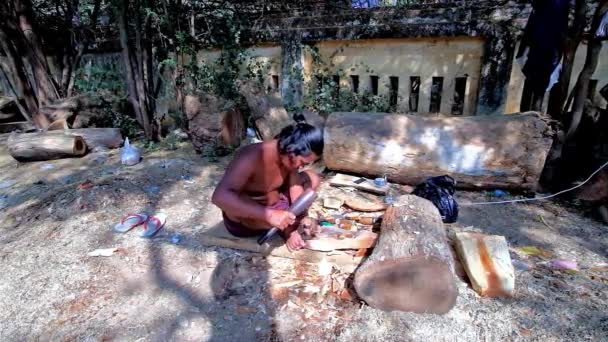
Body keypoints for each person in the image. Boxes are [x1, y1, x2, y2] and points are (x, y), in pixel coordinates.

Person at [211, 115, 323, 251]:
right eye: (302, 163)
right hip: (249, 218)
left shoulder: (288, 155)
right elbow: (219, 196)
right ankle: (286, 229)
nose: (300, 167)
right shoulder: (251, 156)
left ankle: (287, 225)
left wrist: (302, 214)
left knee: (313, 178)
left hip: (277, 206)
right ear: (291, 151)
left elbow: (295, 189)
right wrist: (270, 215)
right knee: (238, 199)